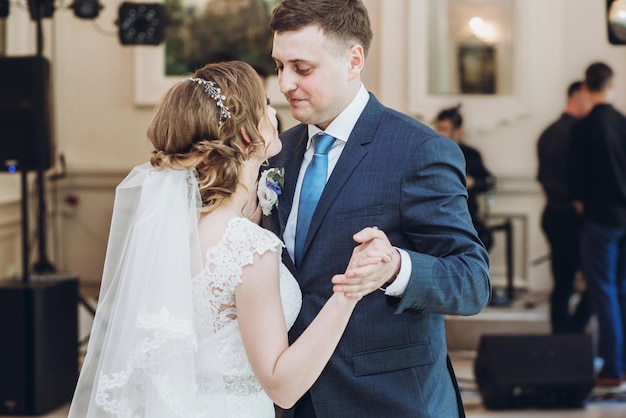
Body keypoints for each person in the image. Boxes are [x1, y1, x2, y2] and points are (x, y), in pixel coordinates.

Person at [67, 61, 385, 417]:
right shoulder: (247, 249)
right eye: (263, 104)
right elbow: (283, 386)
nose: (273, 109)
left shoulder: (174, 232)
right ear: (248, 135)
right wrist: (349, 292)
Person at [266, 1, 491, 416]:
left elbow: (472, 281)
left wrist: (396, 268)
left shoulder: (418, 150)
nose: (284, 83)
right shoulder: (277, 156)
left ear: (354, 60)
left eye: (302, 68)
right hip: (295, 400)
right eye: (279, 66)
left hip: (390, 400)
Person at [569, 62, 626, 387]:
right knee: (621, 290)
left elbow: (575, 184)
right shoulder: (623, 122)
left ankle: (612, 368)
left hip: (599, 221)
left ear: (586, 86)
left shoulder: (583, 127)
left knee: (603, 291)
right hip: (624, 217)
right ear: (612, 84)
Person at [537, 81, 593, 335]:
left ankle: (561, 341)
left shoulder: (548, 132)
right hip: (572, 218)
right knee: (597, 282)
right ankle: (573, 335)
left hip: (552, 215)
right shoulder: (579, 133)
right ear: (579, 96)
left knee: (563, 283)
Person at [434, 105, 496, 251]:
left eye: (444, 128)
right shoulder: (432, 152)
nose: (439, 133)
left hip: (466, 217)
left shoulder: (471, 155)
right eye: (438, 128)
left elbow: (488, 182)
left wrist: (472, 182)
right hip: (437, 217)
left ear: (458, 130)